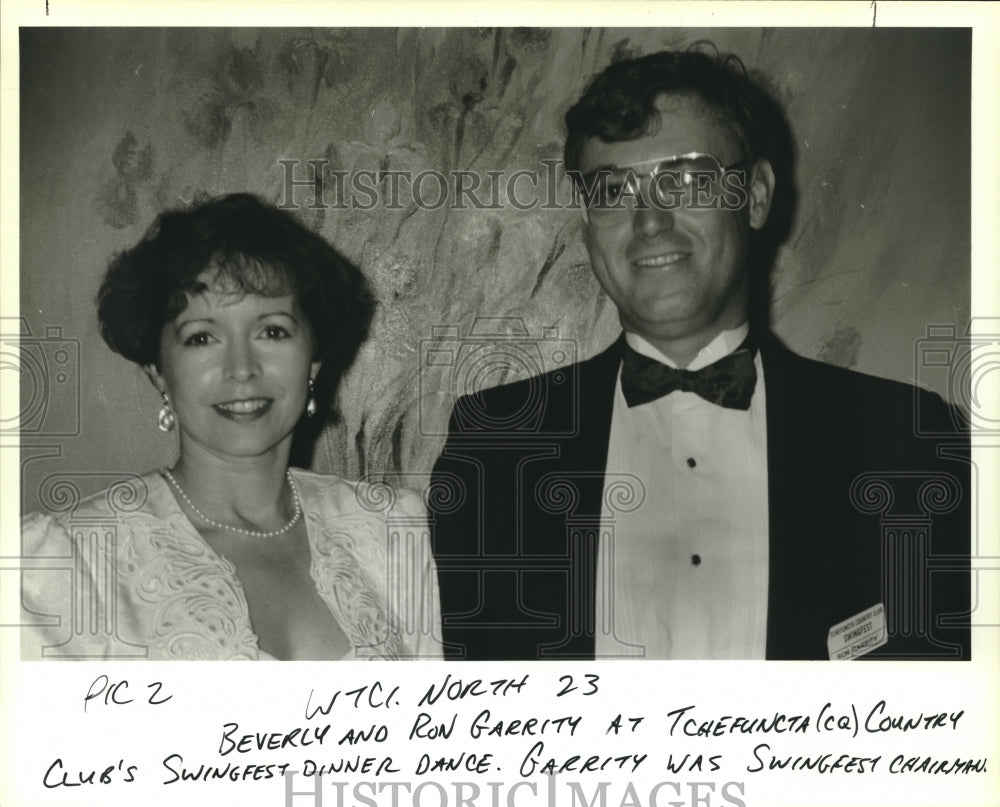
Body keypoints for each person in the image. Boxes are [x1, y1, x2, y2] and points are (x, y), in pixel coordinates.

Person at [429, 48, 971, 661]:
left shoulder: (906, 442)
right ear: (586, 221)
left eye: (687, 180)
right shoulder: (496, 446)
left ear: (757, 195)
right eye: (613, 188)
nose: (650, 221)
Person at [21, 193, 442, 660]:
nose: (242, 368)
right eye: (201, 337)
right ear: (158, 370)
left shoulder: (390, 530)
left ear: (315, 360)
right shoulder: (66, 564)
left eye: (273, 331)